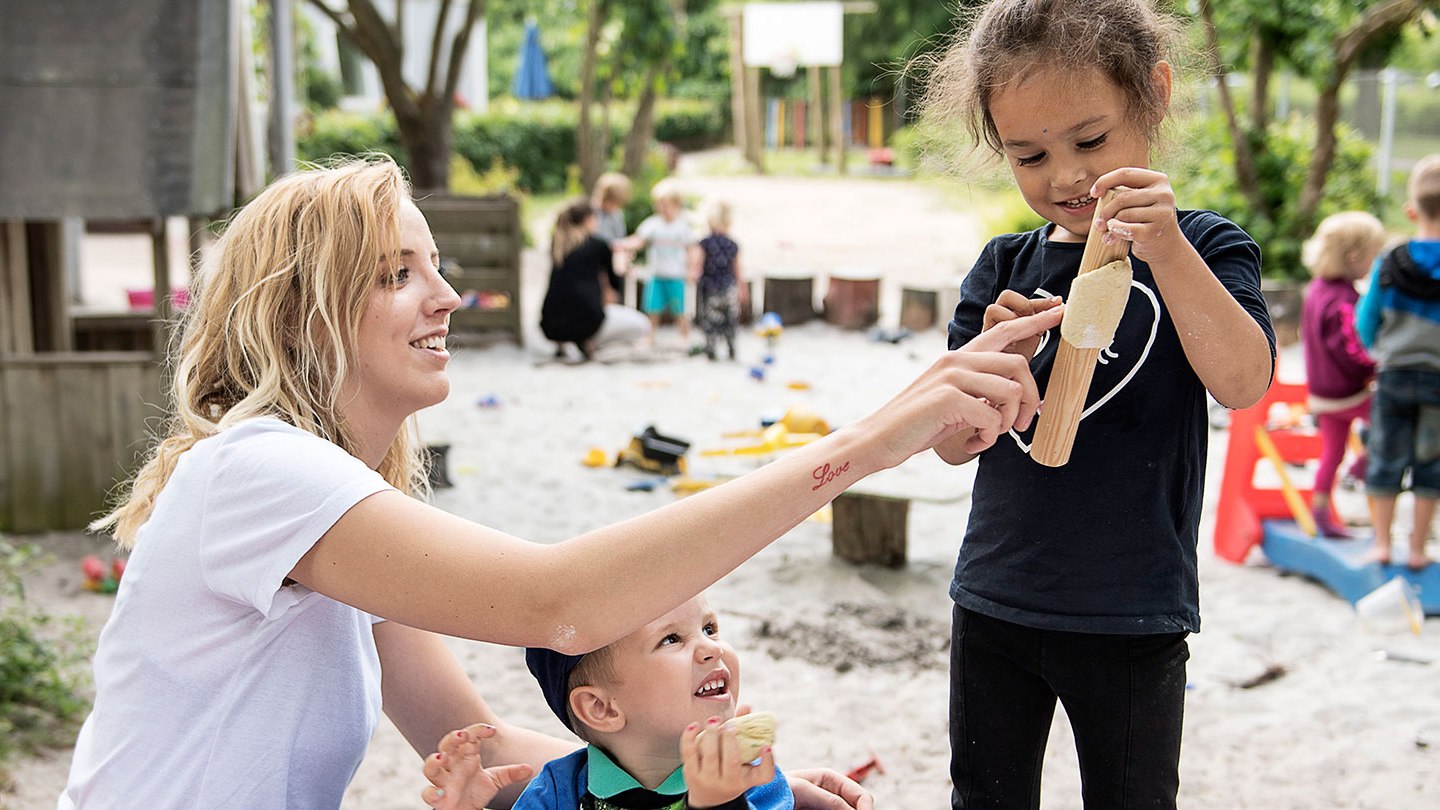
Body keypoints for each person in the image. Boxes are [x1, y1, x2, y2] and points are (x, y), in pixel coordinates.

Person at [56, 156, 1064, 809]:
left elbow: (476, 739)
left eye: (437, 265)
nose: (448, 295)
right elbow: (563, 608)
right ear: (303, 315)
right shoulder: (255, 472)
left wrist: (745, 783)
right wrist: (872, 440)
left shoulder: (329, 499)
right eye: (397, 273)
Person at [921, 1, 1276, 807]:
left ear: (1153, 94)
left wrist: (1169, 250)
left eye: (1090, 140)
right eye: (1028, 155)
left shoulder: (1206, 247)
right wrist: (996, 364)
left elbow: (1244, 382)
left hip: (1134, 616)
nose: (1066, 176)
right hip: (998, 598)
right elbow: (950, 443)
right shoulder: (1005, 267)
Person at [422, 594, 789, 809]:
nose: (712, 648)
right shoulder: (558, 793)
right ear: (602, 708)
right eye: (671, 639)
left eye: (709, 628)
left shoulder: (752, 778)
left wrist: (720, 804)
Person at [1355, 153, 1440, 571]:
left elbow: (1366, 319)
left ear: (1411, 211)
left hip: (1393, 375)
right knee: (1432, 463)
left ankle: (1381, 543)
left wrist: (1378, 351)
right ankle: (1418, 548)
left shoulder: (1391, 261)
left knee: (1385, 457)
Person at [1301, 211, 1386, 538]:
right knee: (1388, 424)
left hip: (1322, 393)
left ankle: (1320, 512)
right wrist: (1374, 367)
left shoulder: (1316, 290)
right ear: (1353, 257)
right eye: (1372, 256)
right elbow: (1351, 348)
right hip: (1347, 392)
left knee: (1331, 451)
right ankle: (1361, 467)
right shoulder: (1345, 299)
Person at [540, 198, 650, 362]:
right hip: (589, 321)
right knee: (642, 325)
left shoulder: (558, 244)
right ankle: (589, 341)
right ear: (588, 219)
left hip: (550, 325)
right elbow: (614, 284)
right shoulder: (598, 245)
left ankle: (566, 343)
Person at [626, 179, 700, 346]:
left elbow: (692, 249)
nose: (663, 209)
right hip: (656, 274)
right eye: (659, 204)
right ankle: (650, 336)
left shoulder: (682, 227)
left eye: (666, 205)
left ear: (677, 205)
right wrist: (623, 245)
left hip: (675, 275)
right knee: (653, 307)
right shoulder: (652, 224)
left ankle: (684, 334)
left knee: (679, 308)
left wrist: (691, 269)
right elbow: (639, 240)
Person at [693, 199, 747, 361]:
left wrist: (693, 275)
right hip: (728, 288)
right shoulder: (733, 244)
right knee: (729, 319)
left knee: (711, 320)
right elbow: (738, 269)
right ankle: (731, 348)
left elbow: (698, 263)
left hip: (710, 288)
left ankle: (711, 349)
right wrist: (742, 288)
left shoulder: (704, 242)